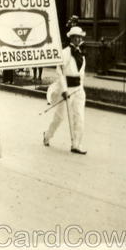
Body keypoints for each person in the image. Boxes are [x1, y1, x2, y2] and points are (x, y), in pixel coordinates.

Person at [43, 26, 87, 155]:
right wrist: (64, 89)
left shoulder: (81, 54)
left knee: (79, 117)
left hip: (78, 90)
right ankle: (47, 135)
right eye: (76, 37)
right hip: (67, 90)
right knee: (59, 117)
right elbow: (60, 72)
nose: (78, 39)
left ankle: (76, 144)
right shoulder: (65, 53)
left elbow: (81, 74)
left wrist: (81, 89)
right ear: (71, 38)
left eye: (80, 37)